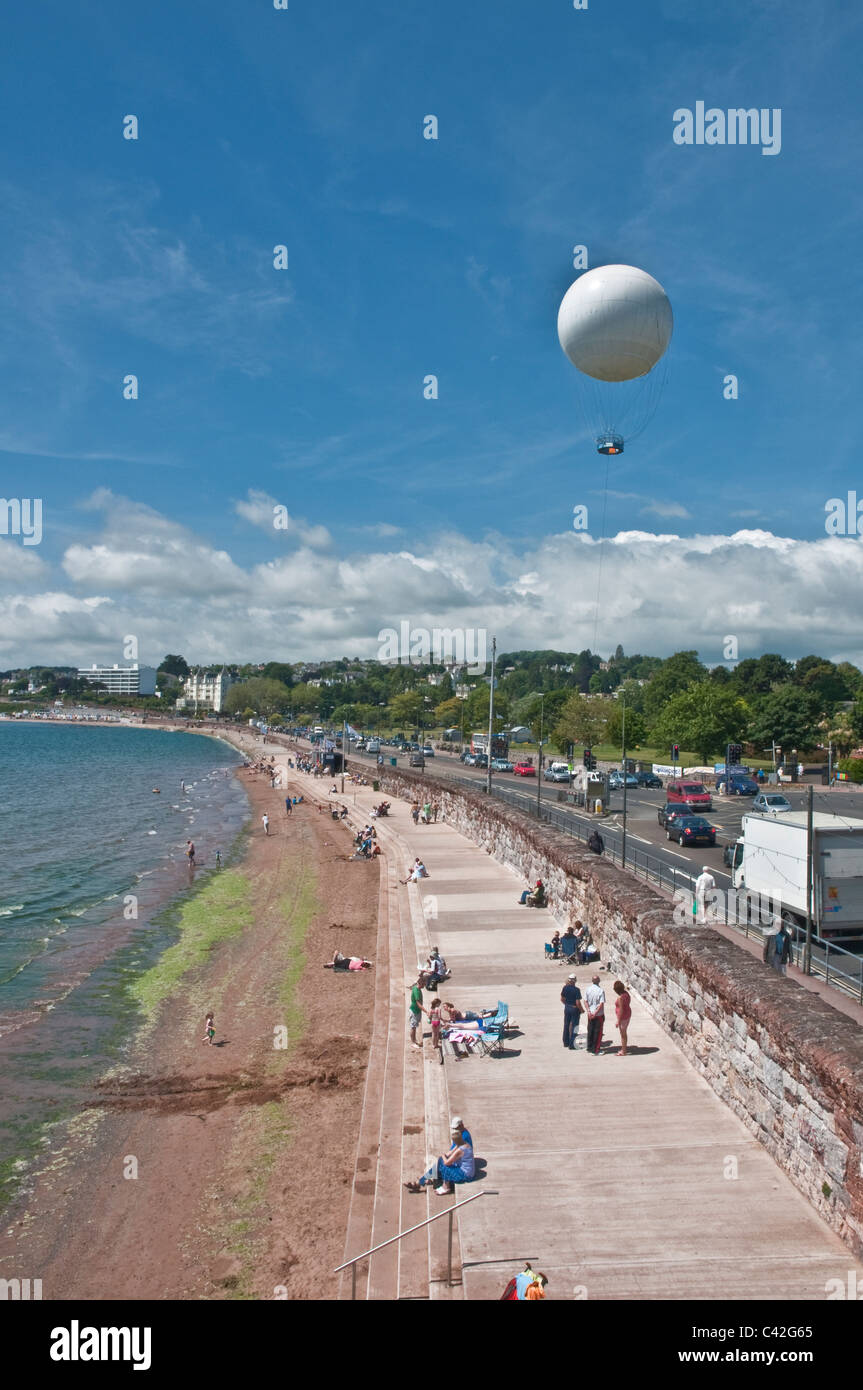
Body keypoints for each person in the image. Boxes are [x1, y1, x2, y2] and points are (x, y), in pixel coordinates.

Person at [405, 1128, 474, 1195]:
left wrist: (442, 1156)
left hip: (465, 1175)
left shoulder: (461, 1150)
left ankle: (444, 1187)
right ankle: (422, 1181)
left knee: (444, 1165)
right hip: (463, 1170)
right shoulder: (463, 1144)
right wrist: (442, 1157)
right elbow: (450, 1153)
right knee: (440, 1163)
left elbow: (447, 1162)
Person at [561, 973, 584, 1049]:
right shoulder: (576, 990)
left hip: (567, 1008)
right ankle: (572, 1044)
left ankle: (566, 1042)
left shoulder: (565, 988)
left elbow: (562, 999)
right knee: (574, 1026)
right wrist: (581, 1010)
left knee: (566, 1025)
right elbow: (578, 1002)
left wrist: (567, 1005)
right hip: (574, 1009)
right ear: (575, 981)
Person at [584, 975, 606, 1055]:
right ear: (599, 981)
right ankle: (595, 1050)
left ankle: (589, 1047)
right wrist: (595, 1013)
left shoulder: (588, 989)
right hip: (598, 1015)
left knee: (590, 1030)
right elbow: (601, 1003)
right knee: (598, 1032)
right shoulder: (600, 990)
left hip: (590, 1014)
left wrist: (589, 1011)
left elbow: (585, 1001)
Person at [613, 979, 632, 1056]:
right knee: (624, 1033)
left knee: (623, 1034)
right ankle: (624, 1048)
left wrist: (618, 1021)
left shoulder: (620, 998)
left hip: (623, 1017)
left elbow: (621, 1010)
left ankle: (623, 1051)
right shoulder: (626, 994)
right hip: (628, 1014)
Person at [409, 976, 425, 1048]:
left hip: (416, 1010)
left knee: (414, 1026)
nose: (424, 986)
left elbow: (414, 984)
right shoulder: (417, 992)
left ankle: (414, 1040)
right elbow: (418, 1004)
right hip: (414, 1011)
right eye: (423, 984)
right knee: (413, 1027)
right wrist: (426, 1011)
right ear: (420, 984)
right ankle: (413, 1042)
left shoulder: (415, 987)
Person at [429, 997, 443, 1062]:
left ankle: (433, 1045)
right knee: (437, 1034)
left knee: (433, 1034)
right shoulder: (438, 1009)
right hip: (437, 1022)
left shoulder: (431, 1009)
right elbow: (439, 1017)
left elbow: (429, 1016)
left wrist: (430, 1019)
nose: (440, 1005)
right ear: (437, 1003)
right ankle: (436, 1044)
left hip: (433, 1022)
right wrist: (443, 1021)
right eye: (439, 1003)